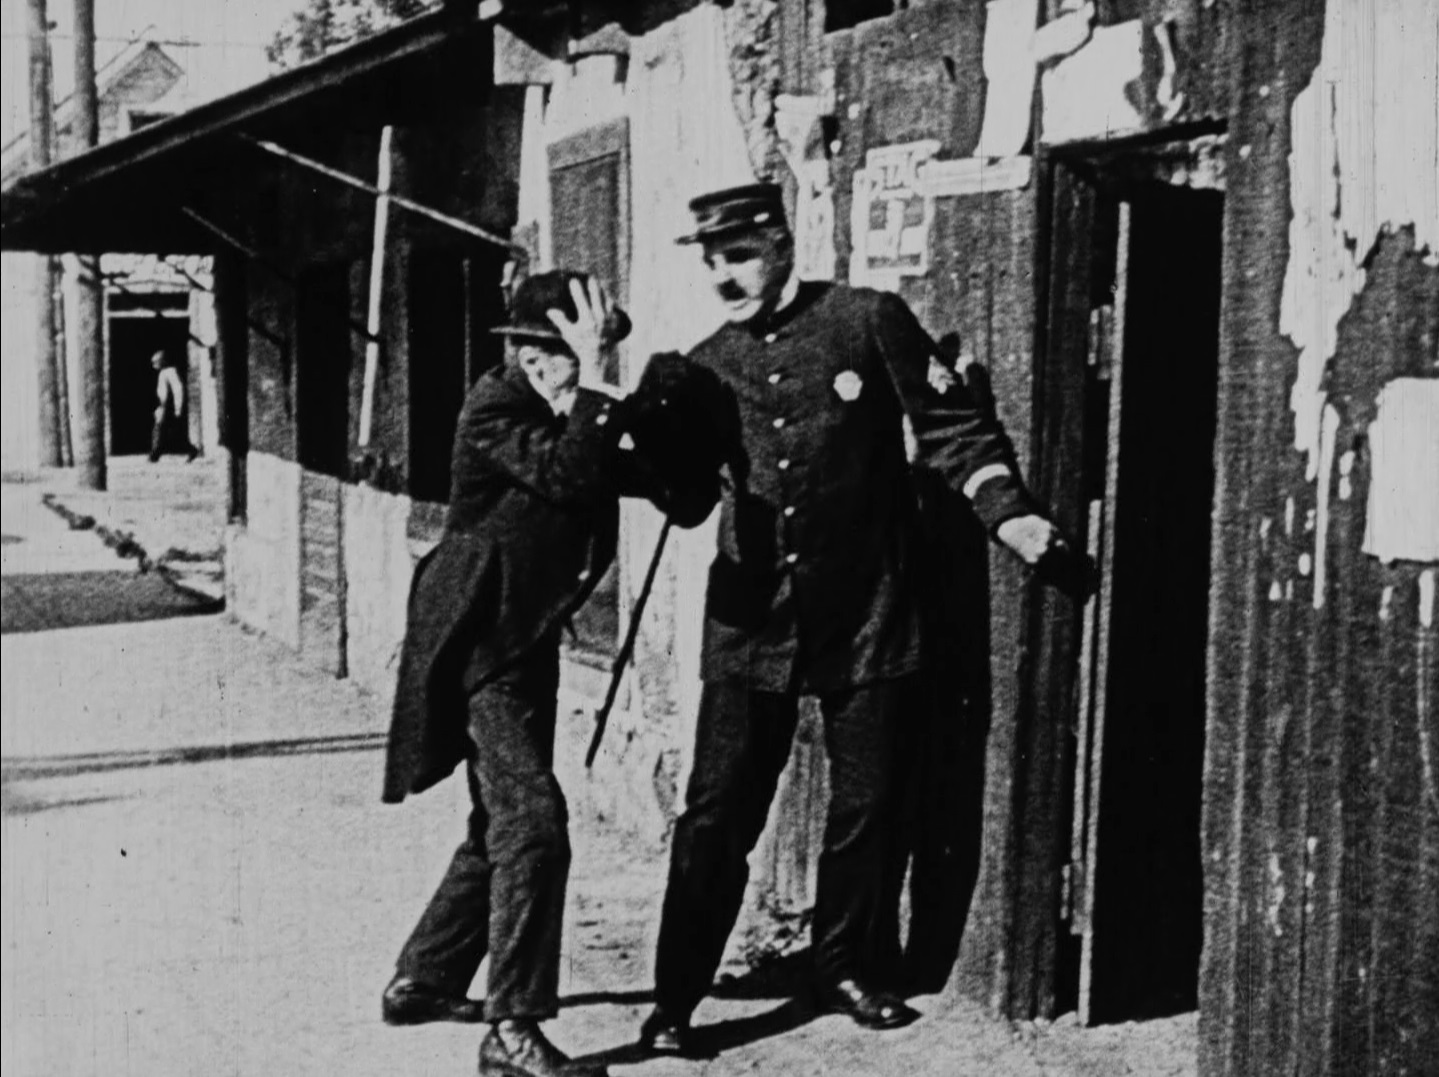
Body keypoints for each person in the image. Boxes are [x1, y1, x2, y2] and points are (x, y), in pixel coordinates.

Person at [637, 183, 1070, 1054]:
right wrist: (654, 426)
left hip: (868, 610)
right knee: (716, 814)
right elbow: (685, 502)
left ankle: (841, 966)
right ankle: (675, 999)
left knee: (866, 806)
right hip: (752, 624)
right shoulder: (706, 364)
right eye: (712, 261)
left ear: (782, 244)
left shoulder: (866, 320)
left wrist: (1008, 515)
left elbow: (952, 430)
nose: (725, 276)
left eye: (740, 254)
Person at [380, 270, 713, 1077]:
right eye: (528, 345)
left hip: (521, 636)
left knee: (499, 819)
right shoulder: (496, 406)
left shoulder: (573, 410)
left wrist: (679, 436)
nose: (533, 360)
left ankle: (424, 977)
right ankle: (513, 1028)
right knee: (534, 823)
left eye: (553, 346)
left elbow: (664, 488)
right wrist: (597, 382)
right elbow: (571, 473)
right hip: (475, 642)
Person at [149, 350, 198, 462]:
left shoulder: (170, 372)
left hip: (168, 407)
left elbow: (178, 390)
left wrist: (177, 408)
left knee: (164, 431)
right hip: (163, 406)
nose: (154, 365)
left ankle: (155, 454)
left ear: (162, 361)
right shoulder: (163, 373)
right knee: (161, 430)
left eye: (156, 362)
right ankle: (155, 454)